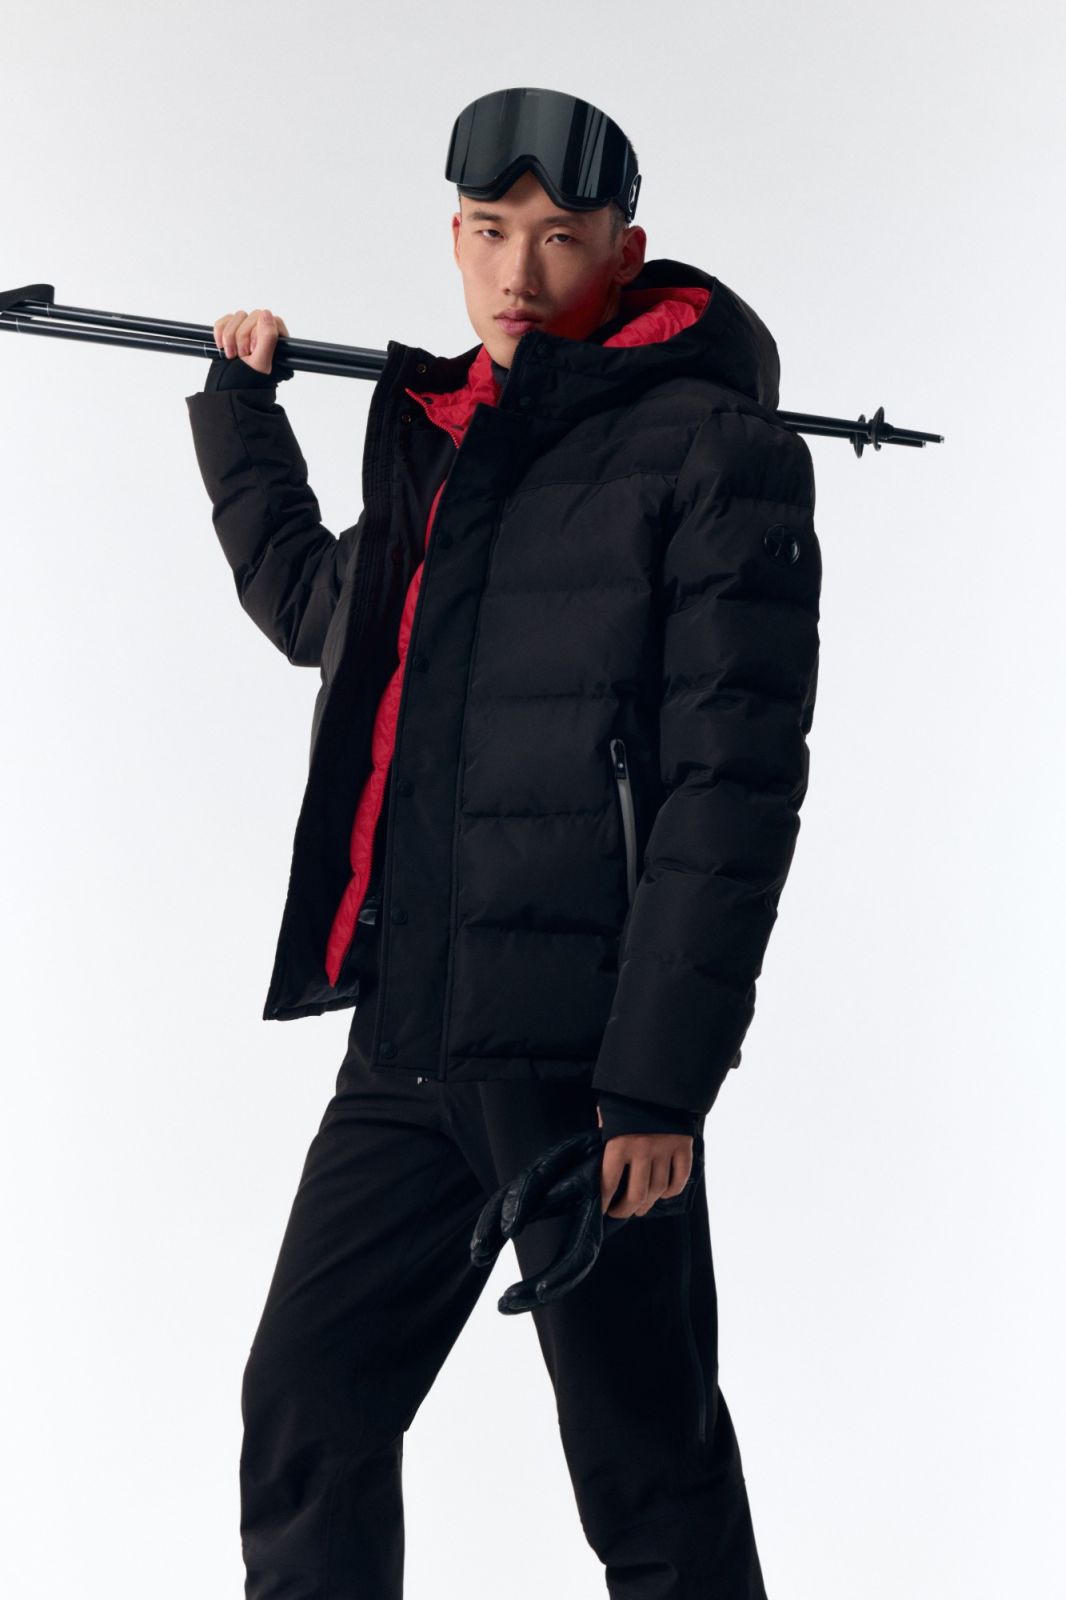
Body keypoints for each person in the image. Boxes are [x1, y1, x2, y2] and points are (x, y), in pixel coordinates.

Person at [185, 85, 821, 1600]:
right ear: (453, 235)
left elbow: (729, 800)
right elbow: (324, 614)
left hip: (584, 1070)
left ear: (624, 249)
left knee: (648, 1470)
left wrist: (656, 1086)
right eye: (488, 232)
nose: (517, 274)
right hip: (409, 1041)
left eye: (558, 237)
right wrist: (241, 420)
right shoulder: (460, 443)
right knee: (308, 1412)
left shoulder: (713, 454)